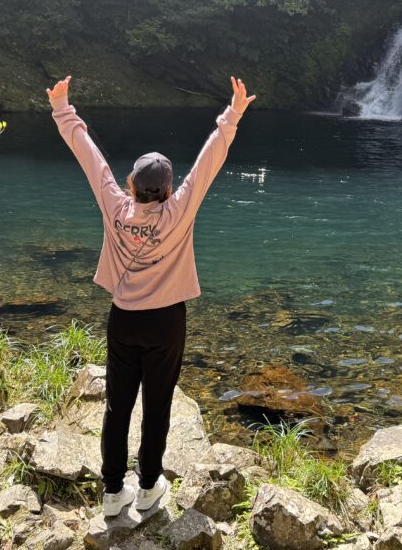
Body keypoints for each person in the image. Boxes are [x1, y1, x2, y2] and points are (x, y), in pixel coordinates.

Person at [46, 75, 256, 517]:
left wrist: (63, 109)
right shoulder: (179, 211)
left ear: (132, 184)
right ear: (168, 186)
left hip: (123, 319)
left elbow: (90, 158)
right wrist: (232, 113)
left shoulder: (115, 206)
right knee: (157, 407)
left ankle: (110, 494)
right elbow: (209, 162)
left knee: (117, 406)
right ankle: (147, 487)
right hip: (166, 323)